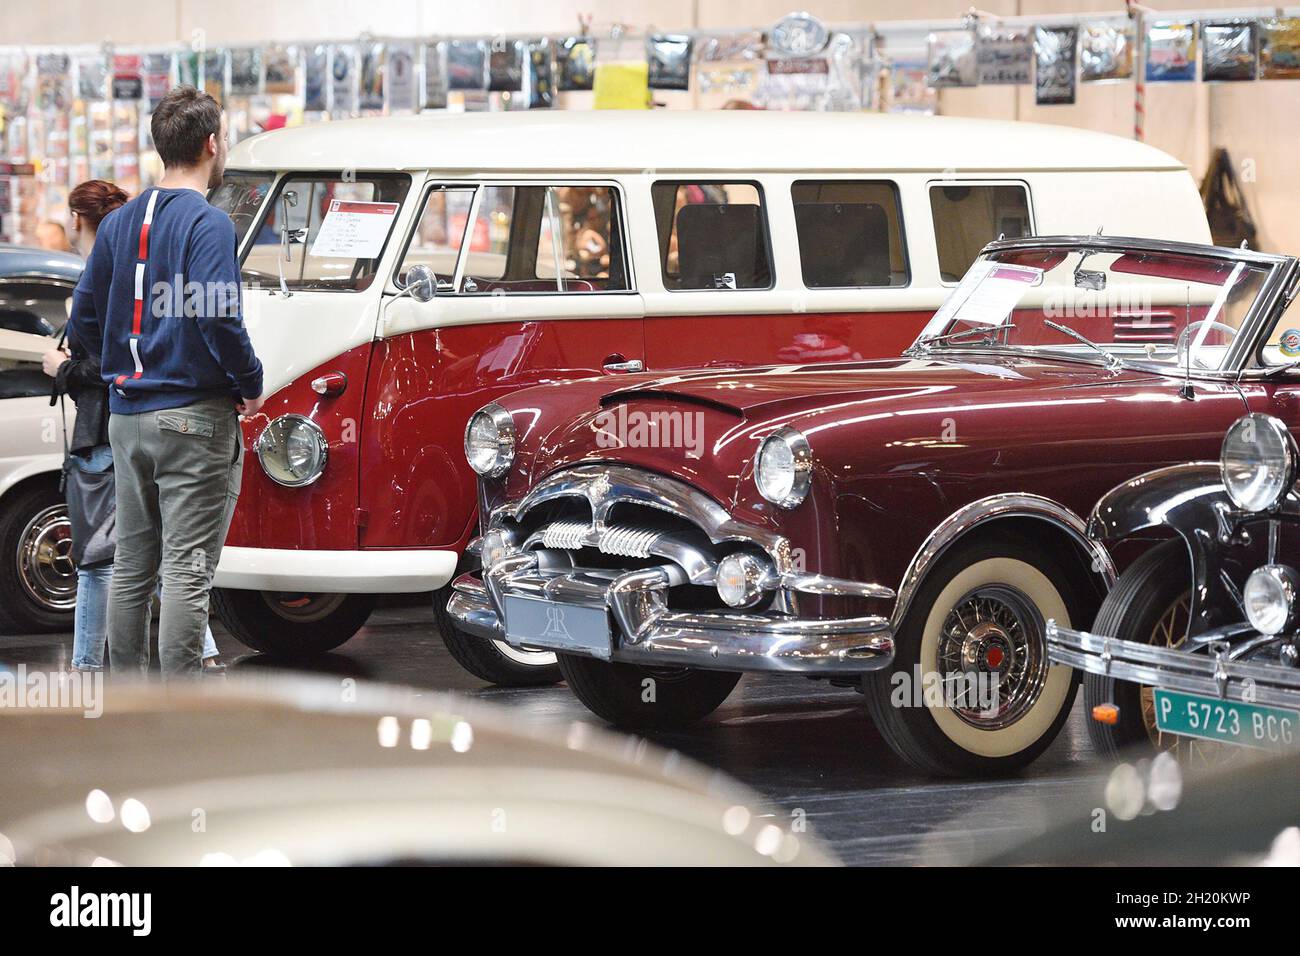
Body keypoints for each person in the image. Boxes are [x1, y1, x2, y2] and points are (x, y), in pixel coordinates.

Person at [69, 87, 264, 678]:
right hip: (193, 419)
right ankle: (177, 713)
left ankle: (129, 702)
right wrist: (250, 379)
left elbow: (82, 318)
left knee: (131, 565)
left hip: (126, 420)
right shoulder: (209, 224)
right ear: (211, 144)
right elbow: (218, 316)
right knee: (185, 570)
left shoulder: (118, 224)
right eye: (224, 136)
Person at [43, 180, 226, 672]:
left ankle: (102, 675)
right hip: (175, 413)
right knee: (179, 561)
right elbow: (217, 319)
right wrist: (242, 378)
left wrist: (68, 367)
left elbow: (89, 332)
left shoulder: (105, 259)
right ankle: (190, 677)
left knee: (116, 563)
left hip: (115, 422)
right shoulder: (195, 232)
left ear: (78, 221)